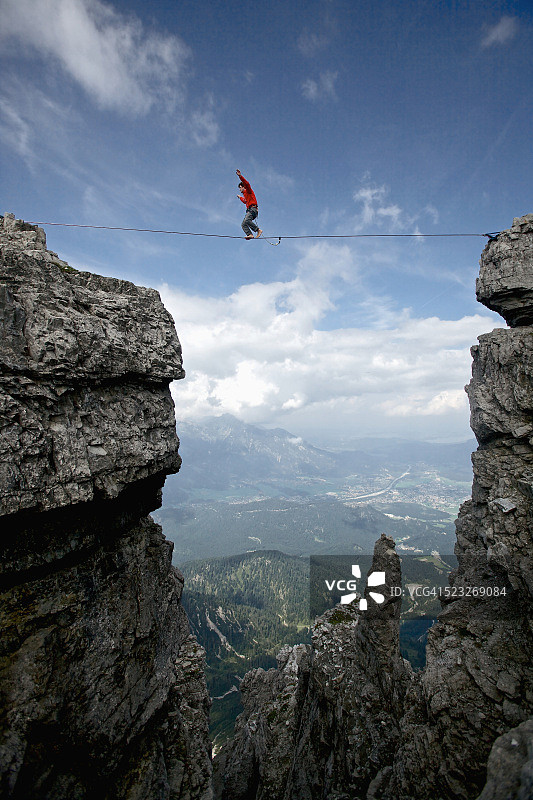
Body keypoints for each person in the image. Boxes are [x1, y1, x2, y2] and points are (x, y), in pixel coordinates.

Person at [236, 169, 262, 239]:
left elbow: (247, 184)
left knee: (247, 220)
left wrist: (240, 176)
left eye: (240, 188)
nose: (239, 189)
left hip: (253, 209)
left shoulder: (248, 191)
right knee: (243, 224)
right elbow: (245, 201)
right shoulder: (245, 195)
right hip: (250, 210)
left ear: (243, 187)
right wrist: (240, 197)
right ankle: (250, 234)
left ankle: (258, 230)